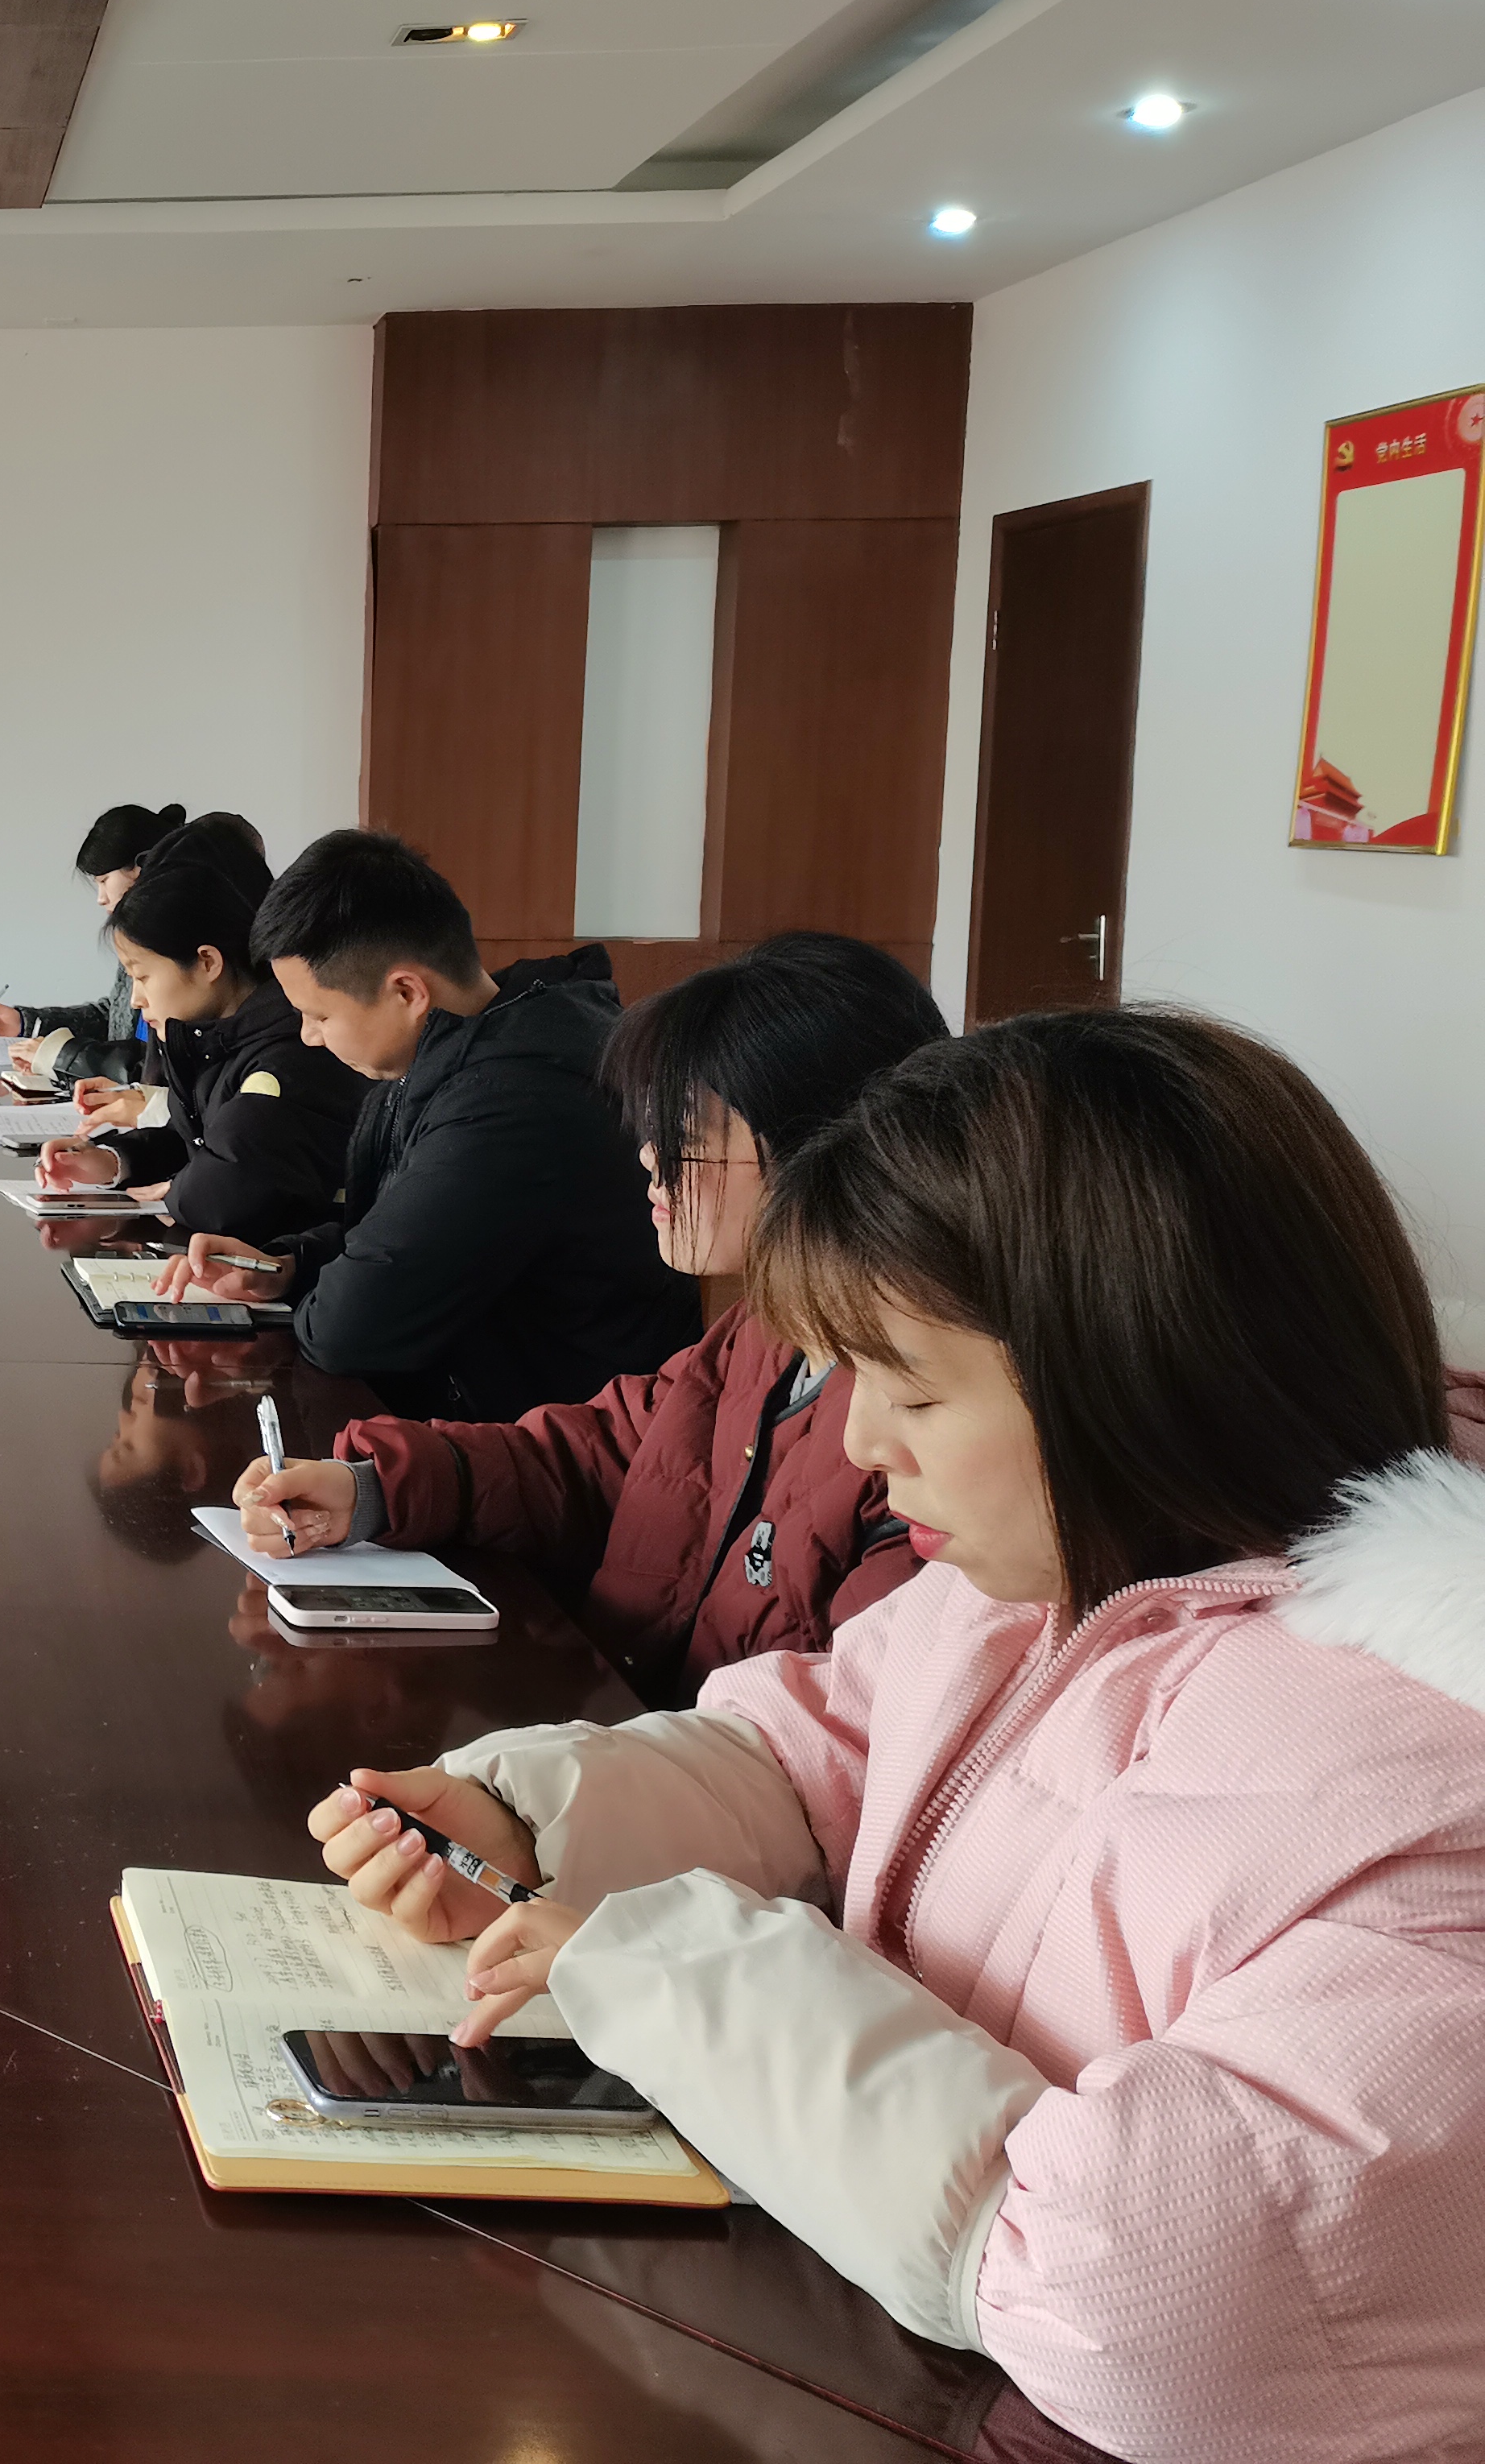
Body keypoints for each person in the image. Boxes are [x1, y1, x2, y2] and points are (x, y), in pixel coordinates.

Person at [310, 1011, 1485, 2464]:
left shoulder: (1429, 1782)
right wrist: (535, 1825)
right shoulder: (1064, 1569)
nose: (864, 1444)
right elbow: (824, 1750)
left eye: (914, 1389)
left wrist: (674, 1977)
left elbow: (1154, 2304)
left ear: (1140, 1375)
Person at [228, 932, 949, 1699]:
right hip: (617, 1722)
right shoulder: (764, 1331)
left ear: (824, 1149)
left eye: (686, 1134)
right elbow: (598, 1455)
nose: (649, 1157)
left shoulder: (919, 1443)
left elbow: (835, 1731)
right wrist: (372, 1491)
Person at [163, 828, 696, 1419]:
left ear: (406, 992)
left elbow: (349, 1328)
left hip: (553, 1443)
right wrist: (286, 1267)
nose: (308, 1037)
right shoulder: (471, 1049)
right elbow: (399, 1232)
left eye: (319, 1015)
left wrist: (324, 1290)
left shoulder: (514, 1101)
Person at [27, 833, 368, 1249]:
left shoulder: (290, 1050)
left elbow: (234, 1184)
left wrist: (178, 1194)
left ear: (207, 962)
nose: (136, 998)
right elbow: (189, 1136)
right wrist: (112, 1160)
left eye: (143, 976)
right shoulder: (214, 1038)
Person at [0, 801, 183, 1087]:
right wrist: (24, 1022)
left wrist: (59, 1056)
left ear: (142, 867)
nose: (101, 898)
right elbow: (114, 1018)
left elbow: (153, 1065)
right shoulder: (136, 937)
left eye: (104, 880)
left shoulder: (177, 941)